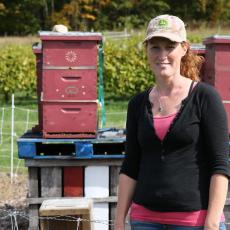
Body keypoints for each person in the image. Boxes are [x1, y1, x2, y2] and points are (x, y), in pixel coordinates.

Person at [115, 14, 229, 230]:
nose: (162, 55)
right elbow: (131, 166)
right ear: (147, 50)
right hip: (144, 221)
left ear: (184, 48)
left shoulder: (205, 97)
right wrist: (119, 220)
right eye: (155, 47)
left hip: (194, 222)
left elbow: (220, 166)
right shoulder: (137, 104)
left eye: (170, 46)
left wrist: (212, 222)